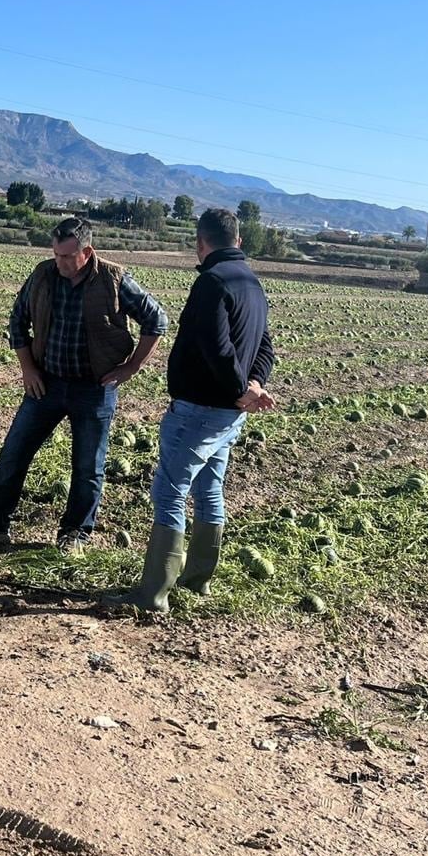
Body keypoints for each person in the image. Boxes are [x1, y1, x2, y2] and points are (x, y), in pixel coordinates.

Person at [0, 216, 168, 556]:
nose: (61, 263)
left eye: (68, 257)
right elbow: (17, 320)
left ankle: (75, 535)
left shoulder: (114, 279)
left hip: (94, 389)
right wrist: (28, 368)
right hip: (47, 383)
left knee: (88, 466)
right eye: (57, 254)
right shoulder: (43, 275)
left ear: (88, 252)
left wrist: (131, 367)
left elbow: (156, 320)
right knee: (14, 452)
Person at [119, 206, 277, 612]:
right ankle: (198, 580)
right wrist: (254, 387)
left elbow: (217, 348)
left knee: (169, 490)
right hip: (229, 414)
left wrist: (242, 389)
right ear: (238, 241)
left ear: (201, 243)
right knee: (209, 490)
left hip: (202, 409)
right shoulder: (252, 284)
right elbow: (265, 347)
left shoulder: (212, 282)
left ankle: (154, 592)